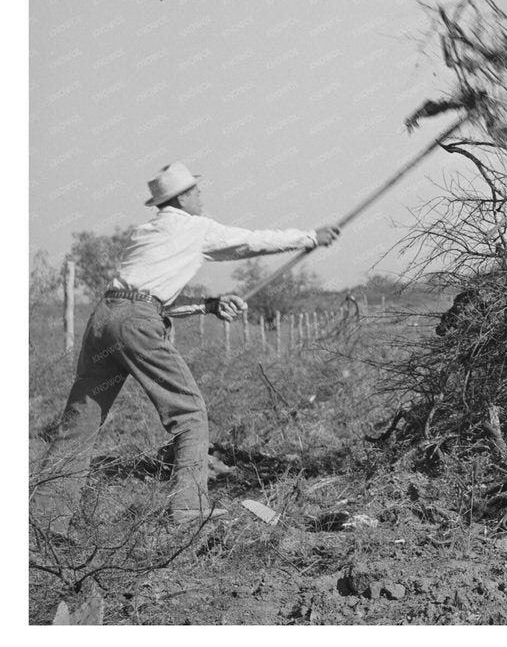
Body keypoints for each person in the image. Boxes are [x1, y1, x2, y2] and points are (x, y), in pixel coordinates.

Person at [32, 163, 341, 532]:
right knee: (190, 412)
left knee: (80, 421)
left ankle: (44, 520)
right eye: (195, 192)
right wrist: (309, 236)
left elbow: (145, 297)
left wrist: (209, 305)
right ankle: (189, 512)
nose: (201, 197)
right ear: (181, 198)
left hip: (104, 319)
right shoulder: (193, 228)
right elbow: (250, 242)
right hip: (136, 323)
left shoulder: (145, 232)